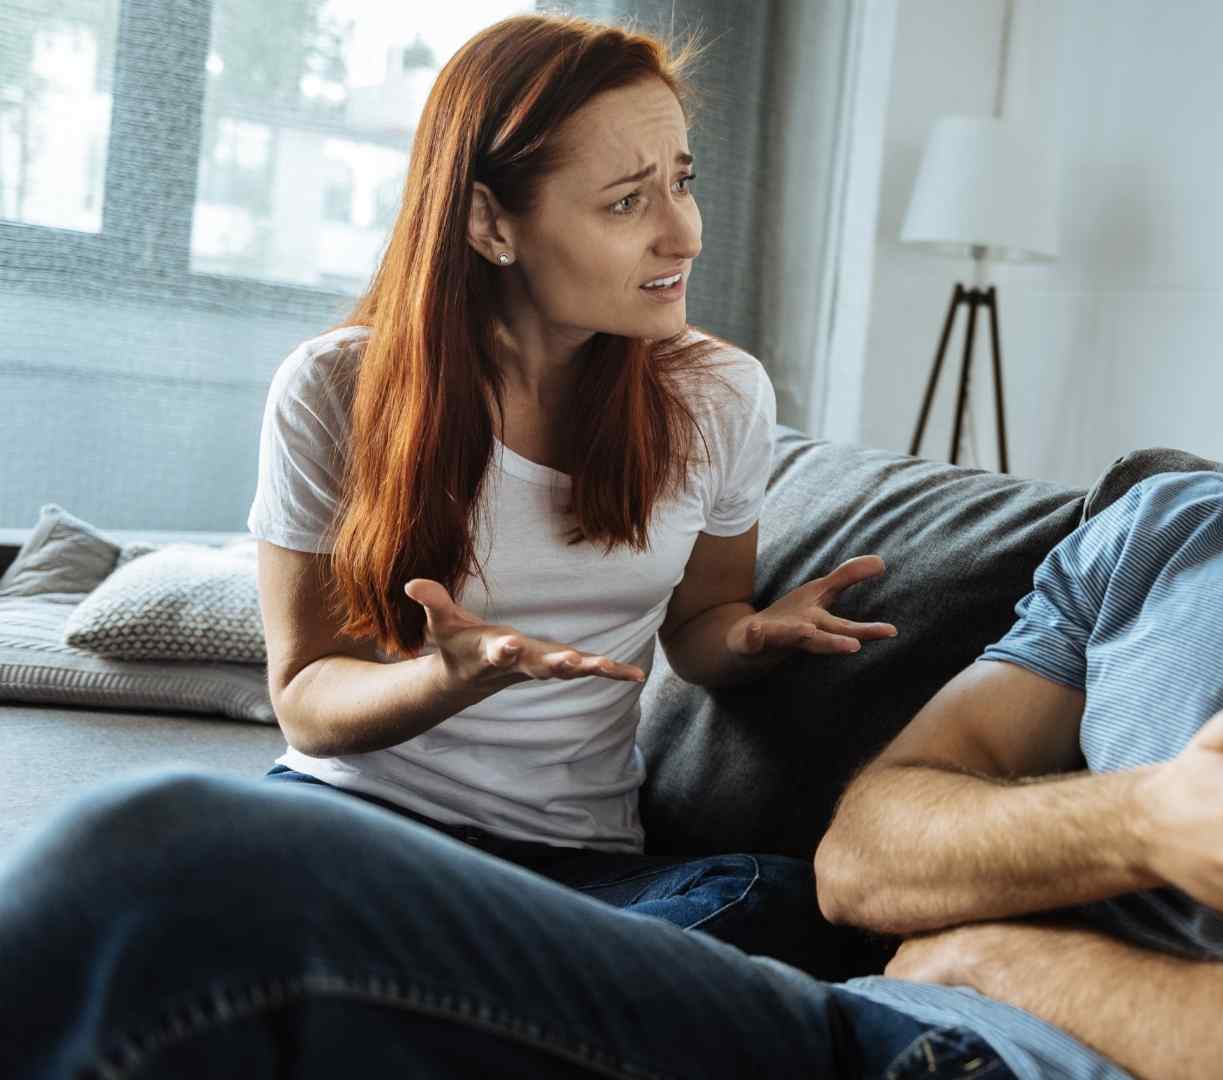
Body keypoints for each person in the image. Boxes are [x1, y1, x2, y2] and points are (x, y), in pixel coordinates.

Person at [0, 64, 1223, 1079]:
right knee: (172, 900)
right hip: (840, 1029)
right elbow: (863, 851)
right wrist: (1143, 822)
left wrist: (1003, 959)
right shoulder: (1168, 531)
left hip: (949, 1050)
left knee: (170, 867)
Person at [247, 13, 893, 963]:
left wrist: (750, 636)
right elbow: (306, 694)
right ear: (489, 223)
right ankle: (504, 997)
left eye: (683, 180)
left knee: (776, 898)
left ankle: (450, 988)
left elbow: (699, 629)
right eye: (627, 203)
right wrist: (445, 680)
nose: (685, 233)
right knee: (169, 853)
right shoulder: (337, 387)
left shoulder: (718, 394)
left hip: (574, 871)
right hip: (355, 829)